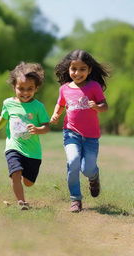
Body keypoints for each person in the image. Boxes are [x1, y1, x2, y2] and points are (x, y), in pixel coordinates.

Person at [0, 62, 50, 210]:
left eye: (29, 89)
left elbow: (46, 127)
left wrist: (38, 129)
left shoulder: (38, 107)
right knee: (16, 173)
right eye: (21, 88)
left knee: (29, 182)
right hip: (13, 147)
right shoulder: (8, 103)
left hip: (33, 152)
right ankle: (21, 201)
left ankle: (26, 183)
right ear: (14, 86)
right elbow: (3, 118)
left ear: (36, 88)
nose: (25, 92)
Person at [50, 49, 110, 212]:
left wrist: (97, 107)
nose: (77, 73)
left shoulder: (94, 86)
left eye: (82, 69)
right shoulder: (64, 88)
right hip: (71, 133)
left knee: (87, 168)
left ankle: (94, 176)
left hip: (91, 137)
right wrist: (56, 114)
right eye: (74, 69)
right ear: (68, 69)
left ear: (89, 70)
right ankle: (75, 199)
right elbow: (60, 103)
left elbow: (105, 106)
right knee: (73, 161)